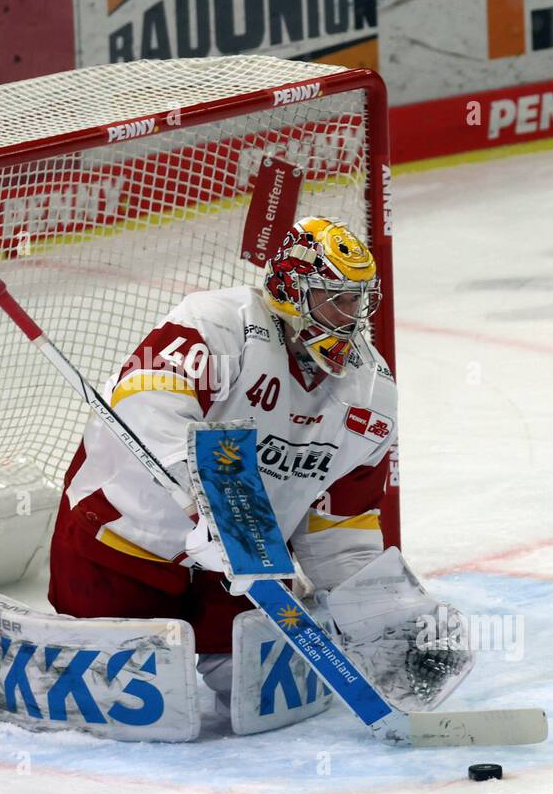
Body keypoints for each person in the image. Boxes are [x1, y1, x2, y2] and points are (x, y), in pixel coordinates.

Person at [48, 216, 472, 713]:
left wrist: (381, 620)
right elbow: (145, 410)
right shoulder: (214, 325)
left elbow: (341, 526)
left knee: (262, 701)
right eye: (336, 298)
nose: (352, 318)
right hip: (123, 544)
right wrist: (209, 511)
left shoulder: (372, 395)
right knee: (122, 706)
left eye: (358, 300)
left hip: (244, 566)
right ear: (291, 289)